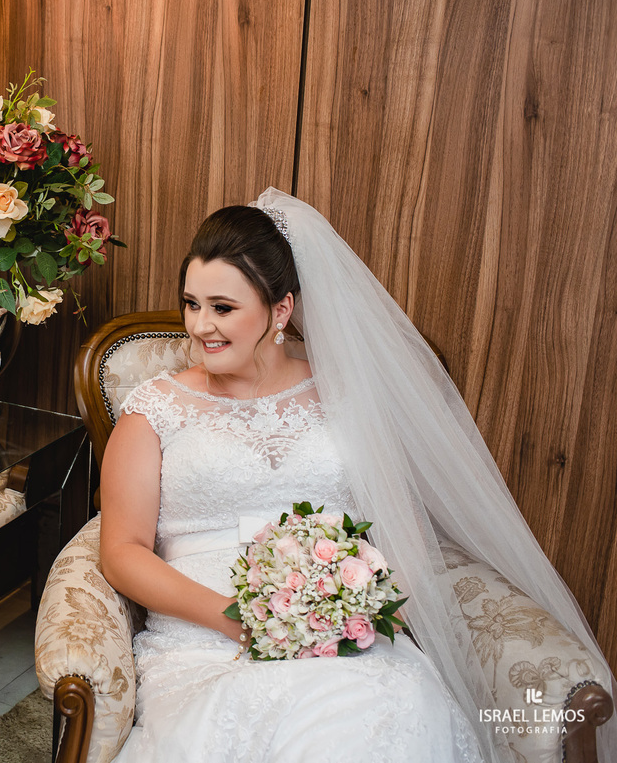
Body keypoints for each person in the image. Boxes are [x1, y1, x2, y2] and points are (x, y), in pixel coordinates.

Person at [99, 188, 614, 763]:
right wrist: (234, 620)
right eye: (191, 303)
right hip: (202, 638)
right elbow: (122, 550)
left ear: (281, 310)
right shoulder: (156, 408)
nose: (200, 326)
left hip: (342, 633)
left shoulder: (348, 395)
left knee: (379, 711)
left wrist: (346, 616)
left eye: (223, 308)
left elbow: (405, 532)